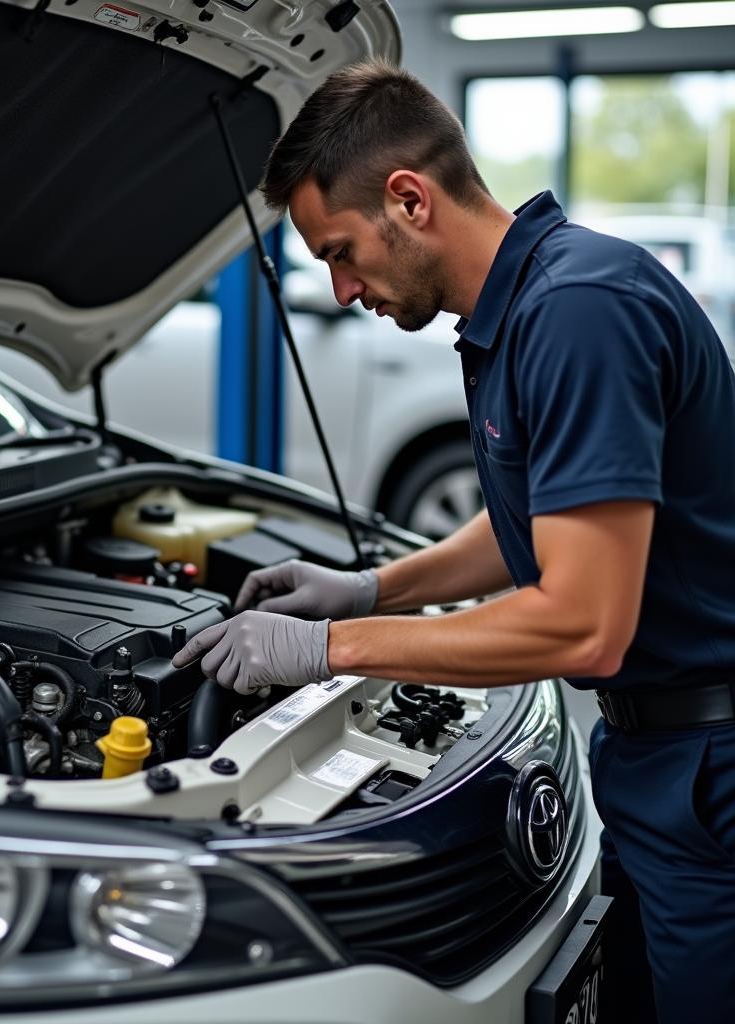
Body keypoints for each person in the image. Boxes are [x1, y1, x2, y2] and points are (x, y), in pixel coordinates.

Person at [172, 60, 735, 1024]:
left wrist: (327, 648)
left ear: (409, 199)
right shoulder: (524, 310)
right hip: (655, 761)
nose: (344, 289)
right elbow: (532, 527)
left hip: (710, 770)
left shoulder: (577, 313)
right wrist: (365, 589)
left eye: (342, 252)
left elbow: (582, 625)